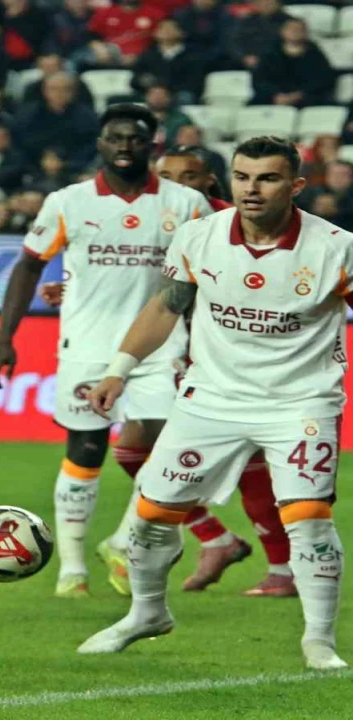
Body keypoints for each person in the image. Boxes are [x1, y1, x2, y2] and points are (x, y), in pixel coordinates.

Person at [81, 137, 350, 671]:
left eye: (268, 178)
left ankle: (319, 642)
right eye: (243, 176)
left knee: (309, 518)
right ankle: (147, 614)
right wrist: (119, 370)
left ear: (296, 185)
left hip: (301, 403)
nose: (252, 189)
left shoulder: (336, 248)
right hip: (210, 400)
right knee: (151, 515)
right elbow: (165, 307)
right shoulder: (198, 236)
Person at [39, 145, 297, 597]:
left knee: (246, 464)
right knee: (136, 453)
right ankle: (213, 539)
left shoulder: (232, 220)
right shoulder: (170, 220)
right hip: (175, 350)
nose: (178, 184)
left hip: (234, 356)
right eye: (170, 175)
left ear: (211, 182)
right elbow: (151, 282)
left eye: (189, 176)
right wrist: (78, 286)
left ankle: (280, 568)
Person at [0, 104, 213, 598]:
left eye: (136, 138)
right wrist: (5, 339)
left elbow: (213, 270)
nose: (125, 146)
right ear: (100, 144)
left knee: (170, 449)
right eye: (116, 138)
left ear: (152, 145)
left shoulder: (187, 203)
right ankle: (71, 569)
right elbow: (29, 266)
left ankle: (122, 541)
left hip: (160, 346)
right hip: (87, 346)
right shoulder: (68, 202)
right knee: (86, 451)